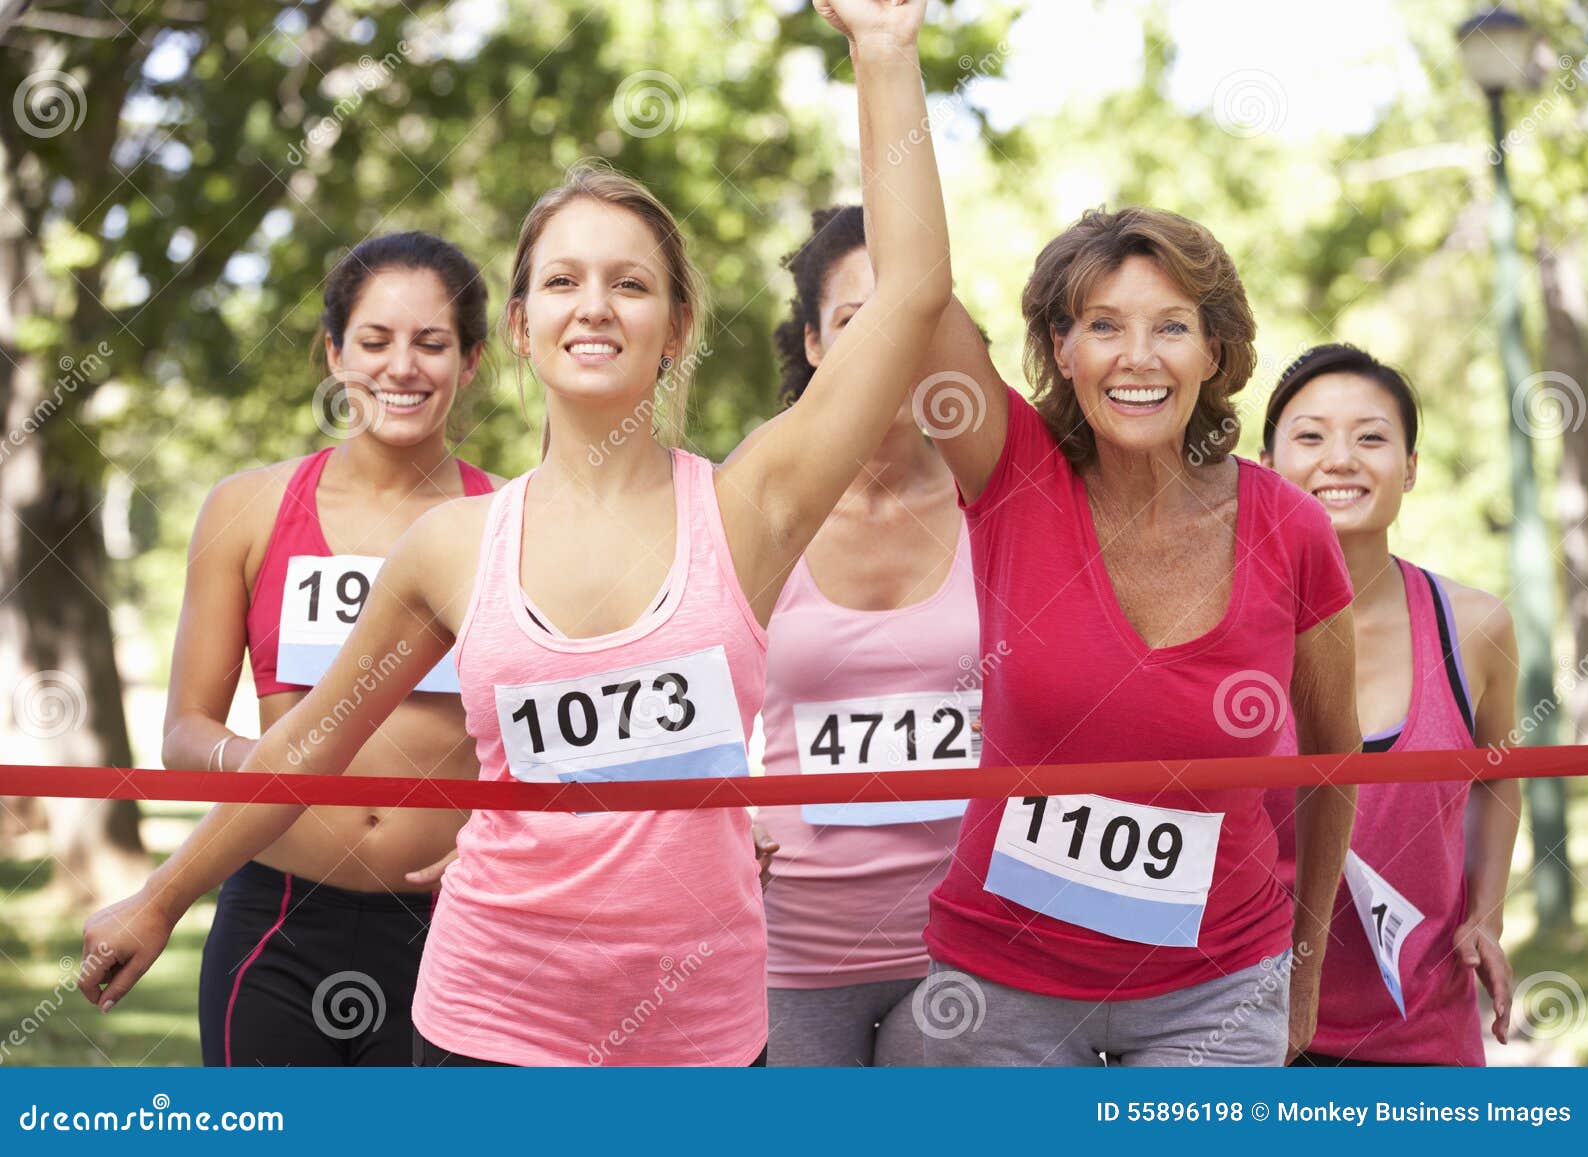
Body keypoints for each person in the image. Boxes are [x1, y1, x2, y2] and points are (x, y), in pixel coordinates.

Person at [80, 0, 952, 1068]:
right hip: (487, 1020)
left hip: (701, 1036)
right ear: (526, 325)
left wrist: (883, 47)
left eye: (630, 282)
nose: (595, 305)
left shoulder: (747, 505)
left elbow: (910, 294)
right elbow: (307, 745)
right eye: (562, 282)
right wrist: (161, 897)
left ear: (675, 326)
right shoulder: (454, 545)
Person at [910, 207, 1362, 1066]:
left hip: (1219, 991)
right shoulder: (1013, 473)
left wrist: (1302, 969)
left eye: (1172, 327)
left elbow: (1333, 757)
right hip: (1001, 989)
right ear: (1061, 347)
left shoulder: (1293, 530)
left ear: (1213, 352)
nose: (1139, 356)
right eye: (1104, 326)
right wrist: (888, 65)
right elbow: (920, 295)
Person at [158, 231, 500, 1065]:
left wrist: (500, 826)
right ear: (335, 351)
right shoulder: (245, 509)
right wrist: (273, 766)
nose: (402, 367)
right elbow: (182, 735)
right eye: (375, 340)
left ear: (473, 360)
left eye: (432, 343)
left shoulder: (511, 523)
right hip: (277, 919)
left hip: (454, 927)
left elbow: (545, 738)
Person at [1260, 342, 1521, 1066]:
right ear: (1265, 464)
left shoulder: (1475, 626)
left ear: (1410, 466)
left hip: (1423, 1035)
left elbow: (1499, 775)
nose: (1339, 459)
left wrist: (1486, 917)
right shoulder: (1220, 628)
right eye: (1310, 436)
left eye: (1371, 437)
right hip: (1244, 1033)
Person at [758, 205, 977, 1066]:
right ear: (813, 342)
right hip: (787, 954)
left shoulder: (995, 500)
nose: (887, 346)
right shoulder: (758, 501)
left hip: (968, 951)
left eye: (908, 319)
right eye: (856, 321)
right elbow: (671, 674)